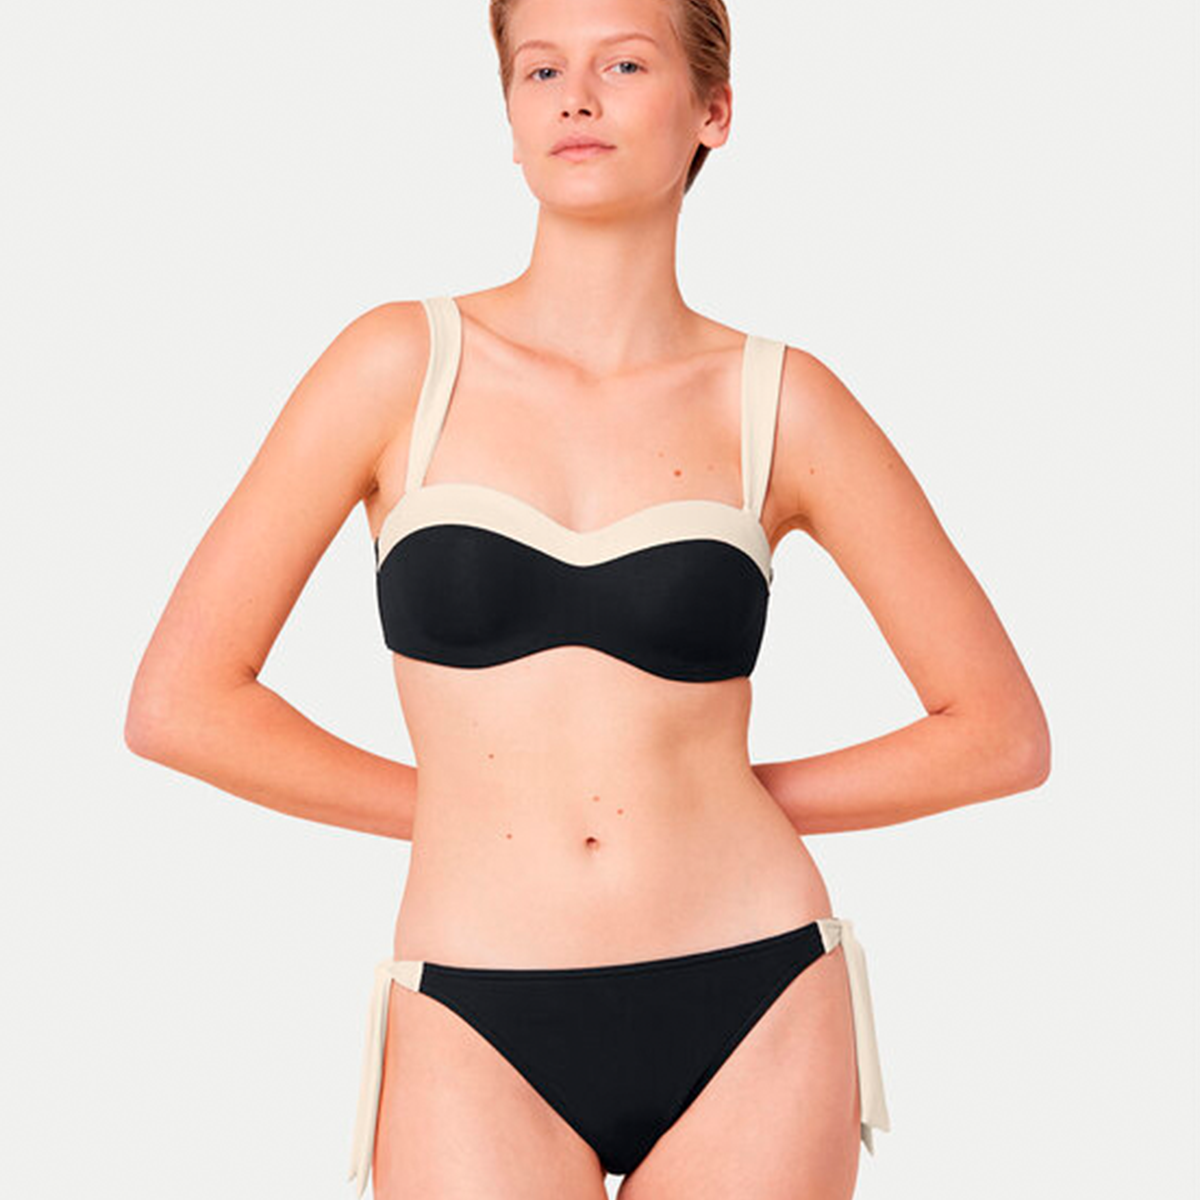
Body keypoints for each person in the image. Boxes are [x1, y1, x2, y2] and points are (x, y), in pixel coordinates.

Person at [125, 0, 1052, 1196]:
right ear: (510, 116)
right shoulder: (396, 366)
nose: (576, 95)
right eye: (540, 69)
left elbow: (998, 732)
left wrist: (717, 798)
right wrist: (462, 809)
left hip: (755, 990)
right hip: (473, 1001)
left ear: (713, 110)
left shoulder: (782, 402)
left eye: (623, 62)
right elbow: (183, 704)